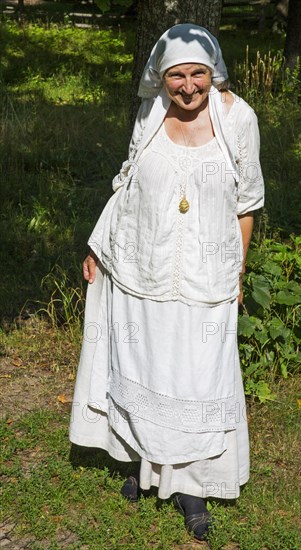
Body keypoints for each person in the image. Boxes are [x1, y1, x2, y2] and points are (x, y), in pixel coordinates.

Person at [69, 23, 264, 541]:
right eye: (176, 75)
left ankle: (193, 485)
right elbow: (127, 180)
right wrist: (98, 244)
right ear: (161, 77)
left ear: (213, 71)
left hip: (207, 272)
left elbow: (247, 204)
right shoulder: (151, 112)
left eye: (198, 73)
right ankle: (143, 461)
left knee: (197, 376)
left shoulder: (237, 118)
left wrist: (237, 271)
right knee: (146, 363)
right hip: (142, 262)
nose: (188, 86)